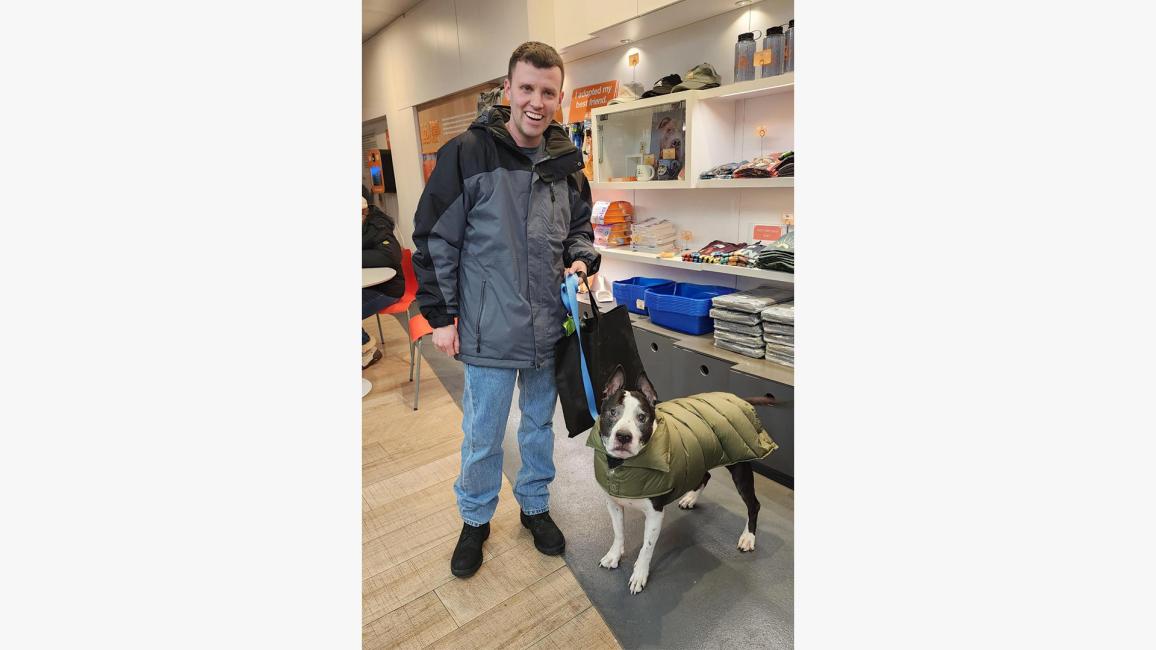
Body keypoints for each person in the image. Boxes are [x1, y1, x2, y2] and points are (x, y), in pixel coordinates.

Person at [412, 41, 600, 578]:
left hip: (548, 328)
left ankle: (535, 507)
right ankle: (475, 519)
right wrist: (441, 317)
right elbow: (432, 241)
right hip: (488, 329)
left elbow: (579, 230)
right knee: (483, 433)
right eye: (526, 89)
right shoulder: (467, 154)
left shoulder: (567, 164)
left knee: (538, 427)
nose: (536, 102)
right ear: (507, 88)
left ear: (559, 97)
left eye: (547, 92)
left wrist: (582, 260)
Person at [362, 194, 404, 368]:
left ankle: (367, 351)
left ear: (364, 212)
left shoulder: (378, 226)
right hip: (367, 284)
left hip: (388, 288)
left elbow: (391, 255)